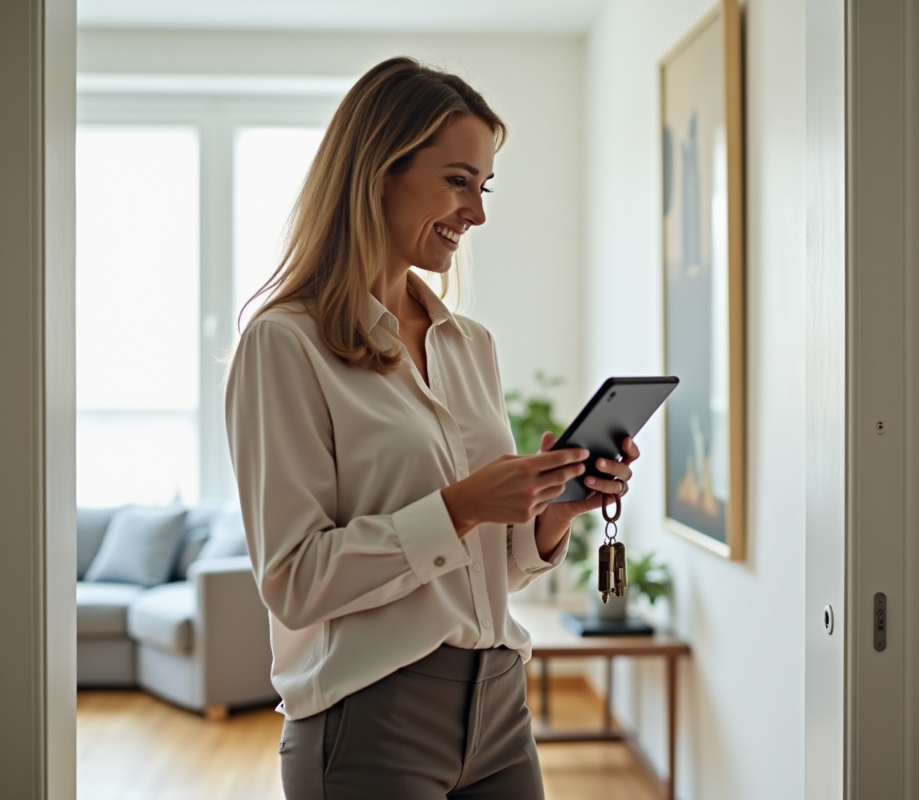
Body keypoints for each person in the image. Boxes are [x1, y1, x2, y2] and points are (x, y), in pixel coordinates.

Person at [224, 56, 640, 800]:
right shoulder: (284, 344)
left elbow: (492, 568)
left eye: (483, 188)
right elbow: (294, 581)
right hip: (371, 716)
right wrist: (463, 505)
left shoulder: (469, 343)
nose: (476, 213)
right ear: (379, 170)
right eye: (458, 181)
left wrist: (552, 515)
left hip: (500, 706)